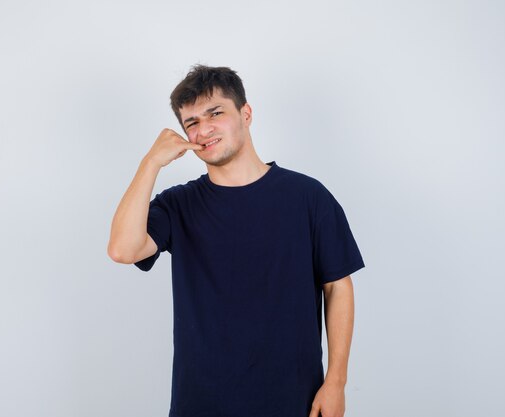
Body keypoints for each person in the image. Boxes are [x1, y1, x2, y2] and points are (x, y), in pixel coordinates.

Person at [107, 64, 365, 417]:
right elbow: (123, 249)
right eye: (191, 123)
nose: (204, 129)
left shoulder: (308, 197)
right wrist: (150, 163)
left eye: (215, 113)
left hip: (294, 400)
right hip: (201, 403)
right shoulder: (179, 204)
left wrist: (336, 382)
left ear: (246, 114)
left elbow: (338, 286)